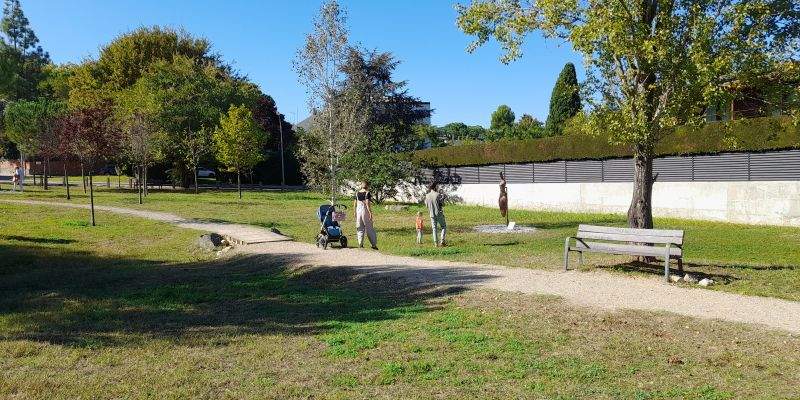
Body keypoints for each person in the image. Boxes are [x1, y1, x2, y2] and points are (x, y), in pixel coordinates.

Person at [353, 181, 378, 249]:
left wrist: (354, 212)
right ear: (367, 186)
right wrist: (370, 213)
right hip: (365, 211)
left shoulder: (357, 193)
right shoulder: (367, 193)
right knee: (369, 228)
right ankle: (373, 244)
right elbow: (367, 203)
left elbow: (355, 203)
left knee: (359, 227)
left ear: (361, 185)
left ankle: (360, 244)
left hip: (358, 211)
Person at [424, 182, 447, 247]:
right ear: (435, 187)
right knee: (443, 227)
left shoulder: (427, 195)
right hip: (439, 213)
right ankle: (442, 241)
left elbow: (426, 205)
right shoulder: (438, 194)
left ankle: (436, 243)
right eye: (437, 186)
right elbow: (442, 204)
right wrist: (443, 198)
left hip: (431, 214)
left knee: (434, 228)